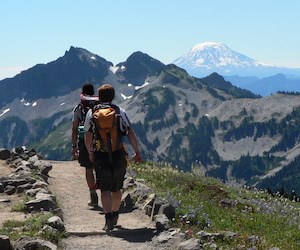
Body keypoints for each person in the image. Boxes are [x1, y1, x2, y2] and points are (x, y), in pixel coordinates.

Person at [84, 83, 142, 231]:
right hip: (118, 154)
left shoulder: (92, 113)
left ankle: (108, 218)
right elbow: (129, 132)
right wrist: (137, 151)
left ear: (99, 96)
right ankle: (115, 214)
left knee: (105, 189)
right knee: (116, 188)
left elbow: (88, 134)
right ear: (113, 96)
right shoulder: (119, 111)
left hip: (100, 154)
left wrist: (90, 151)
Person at [71, 83, 99, 207]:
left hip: (85, 141)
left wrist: (74, 146)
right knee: (101, 167)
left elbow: (74, 128)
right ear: (93, 93)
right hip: (100, 140)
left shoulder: (79, 108)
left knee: (89, 169)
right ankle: (106, 192)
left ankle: (93, 194)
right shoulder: (100, 107)